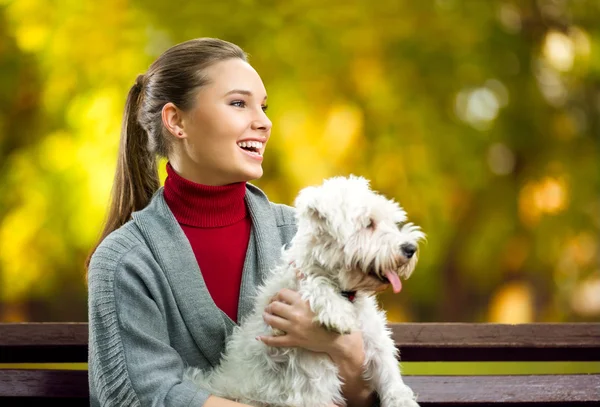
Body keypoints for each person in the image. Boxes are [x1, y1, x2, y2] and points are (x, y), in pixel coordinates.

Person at [86, 37, 380, 407]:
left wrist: (344, 349)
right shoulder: (125, 260)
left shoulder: (301, 234)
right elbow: (143, 394)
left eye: (264, 106)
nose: (264, 122)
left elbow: (363, 397)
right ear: (176, 120)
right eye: (239, 103)